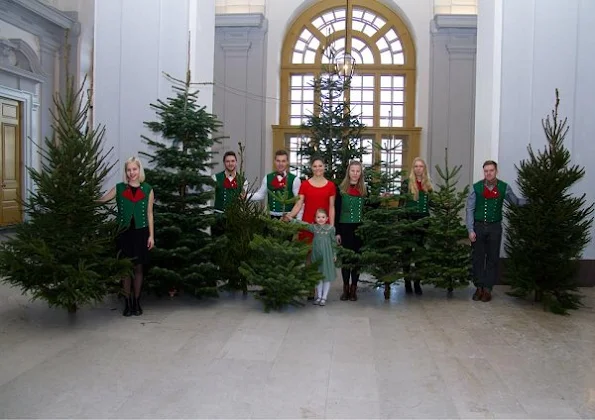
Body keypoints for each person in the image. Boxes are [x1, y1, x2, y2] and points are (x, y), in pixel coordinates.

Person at [99, 157, 154, 316]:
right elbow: (103, 200)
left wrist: (151, 236)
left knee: (138, 268)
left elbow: (150, 214)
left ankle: (137, 301)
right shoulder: (119, 188)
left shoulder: (148, 189)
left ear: (139, 170)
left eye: (134, 169)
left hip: (141, 232)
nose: (131, 173)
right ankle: (127, 303)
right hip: (124, 233)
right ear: (126, 172)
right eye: (129, 170)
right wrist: (88, 199)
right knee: (125, 269)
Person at [466, 160, 527, 302]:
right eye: (486, 171)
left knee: (493, 258)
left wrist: (532, 200)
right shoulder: (476, 188)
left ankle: (487, 289)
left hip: (495, 227)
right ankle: (479, 287)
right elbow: (469, 209)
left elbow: (516, 202)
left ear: (496, 171)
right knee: (478, 258)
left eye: (491, 170)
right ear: (484, 172)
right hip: (479, 227)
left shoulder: (504, 188)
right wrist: (470, 229)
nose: (488, 173)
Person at [400, 157, 433, 295]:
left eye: (421, 166)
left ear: (424, 169)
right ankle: (407, 282)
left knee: (419, 253)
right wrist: (401, 222)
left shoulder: (428, 185)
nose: (418, 169)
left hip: (423, 221)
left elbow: (431, 204)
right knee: (407, 253)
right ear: (413, 169)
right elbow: (401, 205)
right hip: (409, 221)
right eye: (416, 166)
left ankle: (417, 282)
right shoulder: (407, 184)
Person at [335, 161, 367, 301]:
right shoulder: (341, 189)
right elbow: (336, 211)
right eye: (352, 170)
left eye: (357, 171)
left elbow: (370, 208)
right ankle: (345, 288)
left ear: (361, 173)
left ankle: (354, 288)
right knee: (346, 259)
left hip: (359, 228)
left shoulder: (365, 190)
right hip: (345, 227)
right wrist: (337, 232)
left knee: (356, 259)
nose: (355, 173)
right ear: (348, 172)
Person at [283, 157, 336, 240]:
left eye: (320, 166)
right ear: (311, 168)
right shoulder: (304, 185)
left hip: (324, 225)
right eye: (315, 166)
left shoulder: (331, 186)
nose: (317, 168)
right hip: (307, 224)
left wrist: (332, 227)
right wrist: (289, 216)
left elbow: (331, 207)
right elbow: (298, 204)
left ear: (324, 167)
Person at [296, 209, 337, 306]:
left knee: (326, 276)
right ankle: (319, 296)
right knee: (318, 276)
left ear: (327, 218)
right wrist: (292, 219)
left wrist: (334, 254)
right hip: (316, 255)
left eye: (323, 217)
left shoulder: (330, 229)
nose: (321, 219)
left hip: (327, 256)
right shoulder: (314, 228)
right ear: (315, 219)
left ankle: (324, 297)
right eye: (318, 217)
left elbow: (333, 242)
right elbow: (304, 224)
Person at [251, 149, 302, 219]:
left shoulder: (295, 179)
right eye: (278, 161)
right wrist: (245, 196)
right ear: (274, 162)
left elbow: (299, 201)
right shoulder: (267, 177)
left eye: (283, 161)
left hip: (288, 218)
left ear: (287, 162)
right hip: (270, 218)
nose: (280, 164)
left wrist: (296, 219)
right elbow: (260, 195)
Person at [211, 150, 247, 236]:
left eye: (232, 161)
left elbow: (244, 198)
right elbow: (204, 190)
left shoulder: (243, 181)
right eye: (227, 161)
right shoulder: (215, 178)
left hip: (235, 219)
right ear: (224, 163)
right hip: (218, 218)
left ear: (236, 163)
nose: (230, 163)